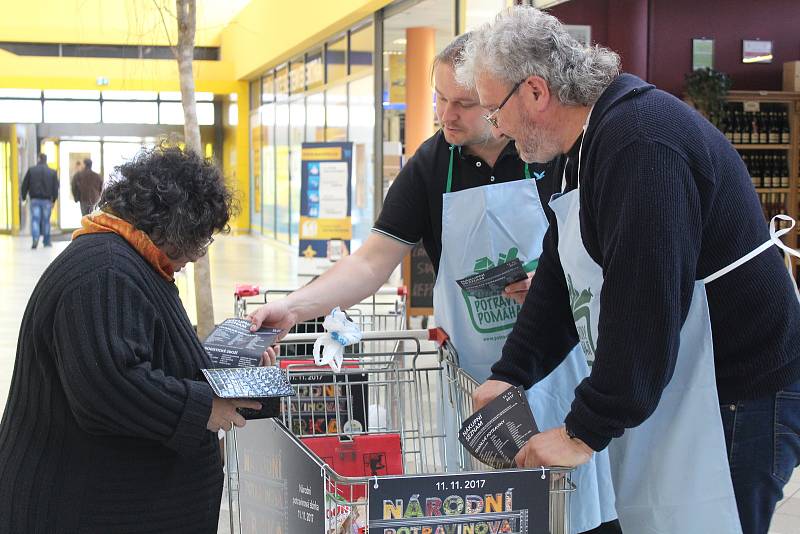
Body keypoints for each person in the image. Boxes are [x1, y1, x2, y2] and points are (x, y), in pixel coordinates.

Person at [249, 33, 619, 534]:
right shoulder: (431, 165)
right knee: (489, 512)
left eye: (464, 103)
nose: (447, 114)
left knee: (572, 510)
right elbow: (373, 260)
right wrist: (296, 307)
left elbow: (604, 254)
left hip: (561, 370)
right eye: (439, 98)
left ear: (498, 98)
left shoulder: (551, 149)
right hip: (475, 379)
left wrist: (556, 278)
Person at [458, 6, 800, 534]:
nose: (496, 128)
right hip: (689, 383)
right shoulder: (577, 149)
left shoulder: (641, 143)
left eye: (493, 110)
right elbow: (561, 272)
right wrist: (512, 373)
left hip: (740, 391)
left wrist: (582, 432)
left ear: (534, 91)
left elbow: (645, 302)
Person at [0, 144, 263, 533]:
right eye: (198, 240)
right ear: (174, 226)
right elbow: (107, 386)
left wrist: (232, 367)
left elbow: (146, 352)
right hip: (77, 511)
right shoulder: (104, 271)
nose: (196, 256)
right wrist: (203, 407)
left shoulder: (128, 261)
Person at [20, 152, 59, 249]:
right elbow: (56, 188)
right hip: (47, 201)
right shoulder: (52, 172)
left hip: (34, 200)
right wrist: (54, 199)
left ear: (38, 159)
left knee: (35, 220)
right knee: (46, 221)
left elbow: (24, 185)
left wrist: (24, 197)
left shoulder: (31, 170)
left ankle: (35, 239)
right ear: (46, 160)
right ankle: (46, 241)